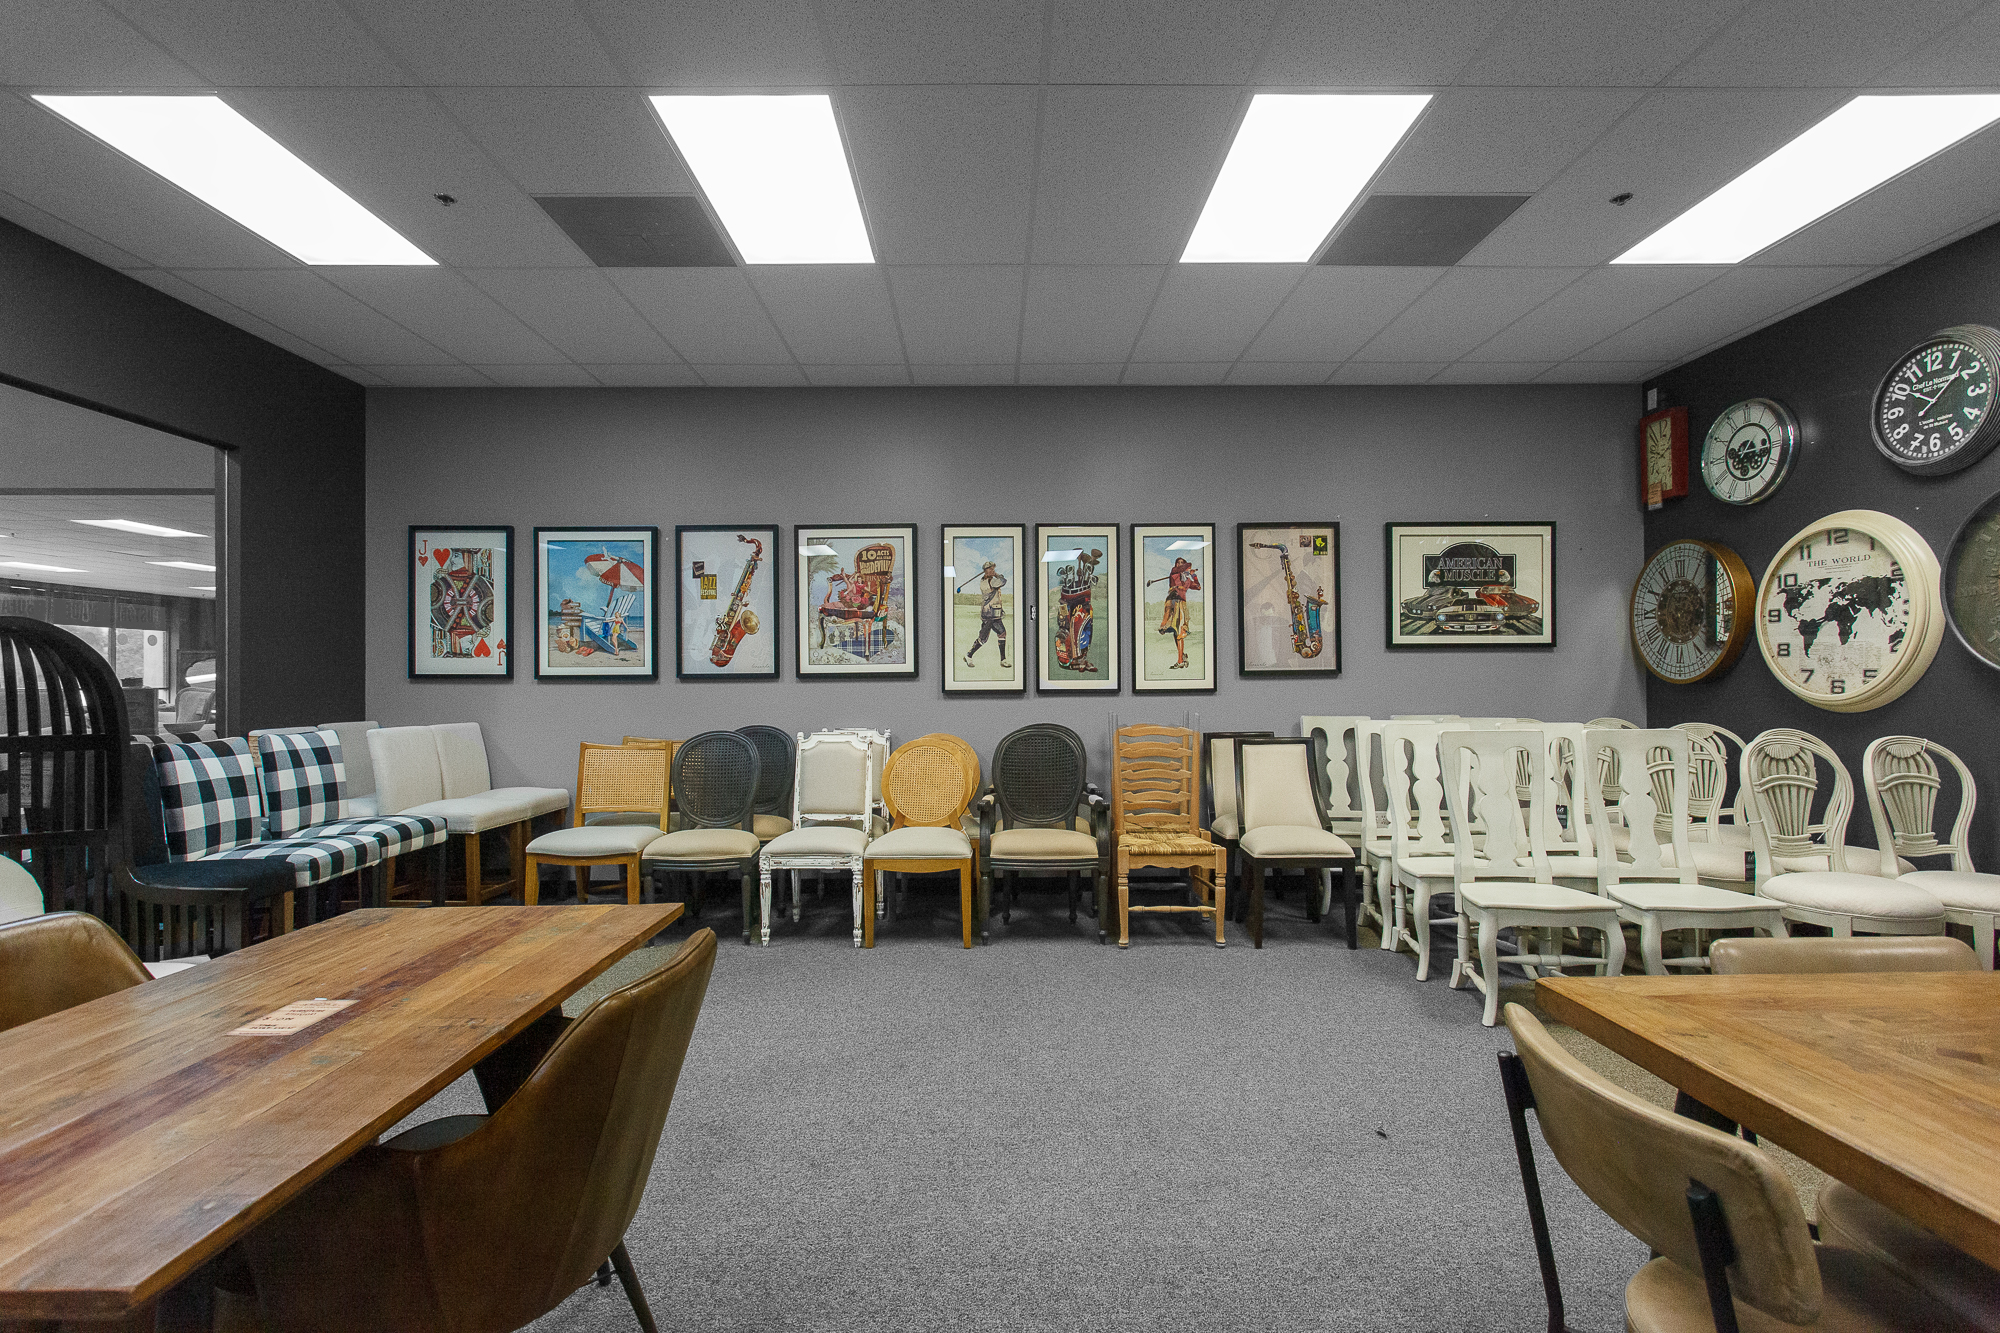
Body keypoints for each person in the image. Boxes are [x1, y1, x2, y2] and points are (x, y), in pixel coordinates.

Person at [963, 561, 1010, 669]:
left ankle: (1003, 660)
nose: (993, 571)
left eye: (993, 569)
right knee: (983, 639)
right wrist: (998, 575)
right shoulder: (991, 582)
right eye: (991, 569)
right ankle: (968, 655)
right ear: (986, 571)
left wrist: (993, 574)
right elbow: (1003, 581)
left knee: (1002, 633)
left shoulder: (983, 580)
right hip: (989, 615)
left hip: (994, 613)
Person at [1158, 557, 1200, 669]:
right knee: (1175, 632)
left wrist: (1193, 576)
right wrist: (1188, 569)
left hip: (1180, 604)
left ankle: (1181, 660)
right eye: (1178, 563)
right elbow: (1184, 566)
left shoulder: (1187, 580)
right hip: (1171, 602)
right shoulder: (1174, 573)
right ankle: (1182, 657)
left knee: (1179, 633)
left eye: (1182, 563)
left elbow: (1198, 587)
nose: (1179, 564)